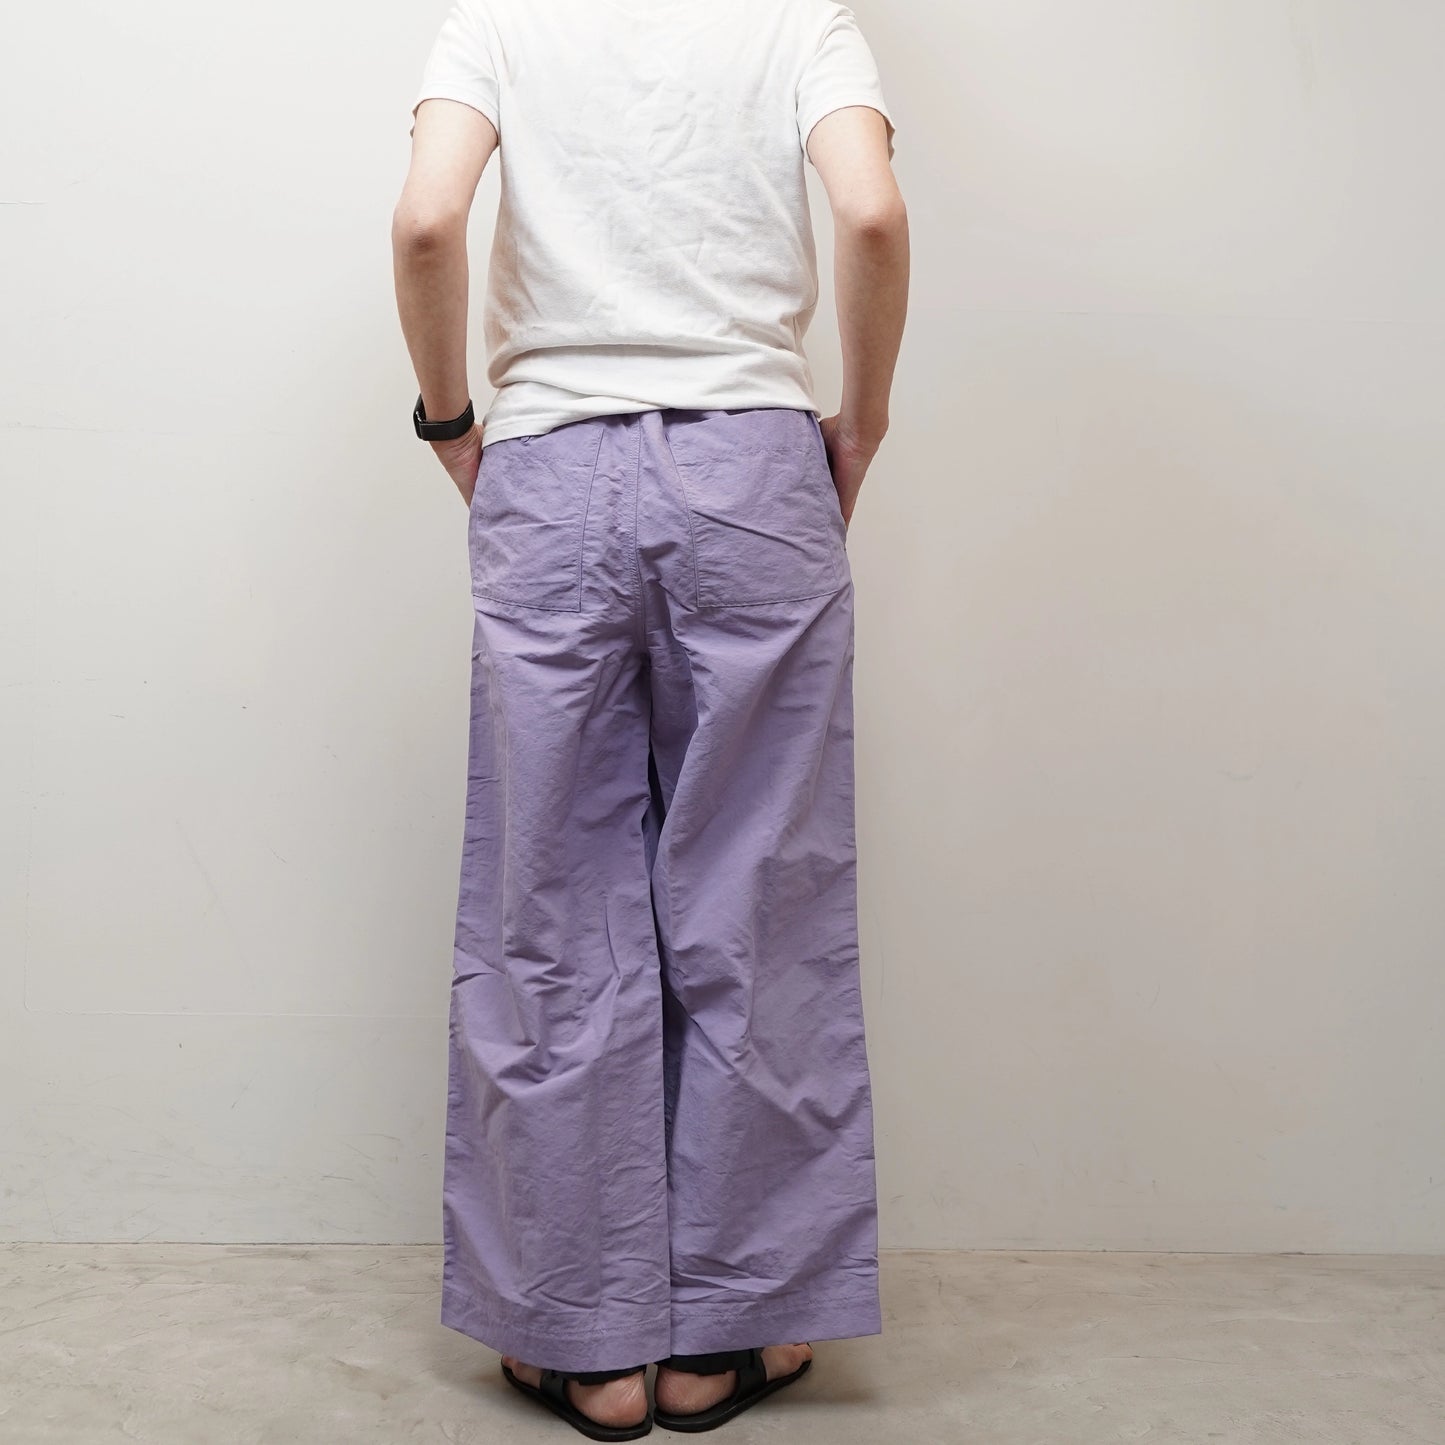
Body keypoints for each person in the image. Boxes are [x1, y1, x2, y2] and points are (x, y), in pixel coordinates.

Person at [392, 0, 908, 1436]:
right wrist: (858, 421)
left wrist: (452, 421)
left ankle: (585, 1348)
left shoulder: (495, 26)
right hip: (755, 468)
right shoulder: (801, 24)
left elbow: (428, 222)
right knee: (759, 902)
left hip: (549, 471)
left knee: (550, 908)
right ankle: (724, 1335)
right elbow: (869, 214)